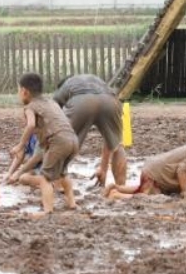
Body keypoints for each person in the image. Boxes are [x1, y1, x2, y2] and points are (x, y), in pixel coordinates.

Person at [10, 73, 80, 213]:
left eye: (18, 90)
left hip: (58, 142)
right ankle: (72, 204)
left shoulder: (30, 107)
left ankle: (47, 210)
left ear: (24, 91)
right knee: (62, 174)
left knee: (44, 179)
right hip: (73, 140)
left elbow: (30, 125)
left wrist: (20, 145)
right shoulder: (52, 103)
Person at [105, 116, 186, 199]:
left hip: (151, 170)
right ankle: (117, 195)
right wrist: (185, 192)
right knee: (150, 199)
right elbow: (181, 169)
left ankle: (116, 187)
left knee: (142, 190)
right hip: (154, 174)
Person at [52, 74, 128, 189]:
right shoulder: (94, 80)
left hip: (82, 102)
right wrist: (103, 168)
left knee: (62, 141)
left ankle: (58, 186)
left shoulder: (64, 87)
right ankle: (121, 187)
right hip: (111, 101)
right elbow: (110, 141)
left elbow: (51, 112)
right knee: (117, 145)